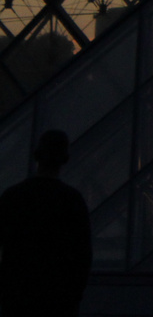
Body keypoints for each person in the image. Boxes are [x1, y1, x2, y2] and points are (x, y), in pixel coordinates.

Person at [0, 131, 92, 317]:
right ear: (64, 159)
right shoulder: (72, 200)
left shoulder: (12, 197)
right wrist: (74, 295)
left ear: (37, 156)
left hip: (17, 297)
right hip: (58, 300)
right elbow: (83, 255)